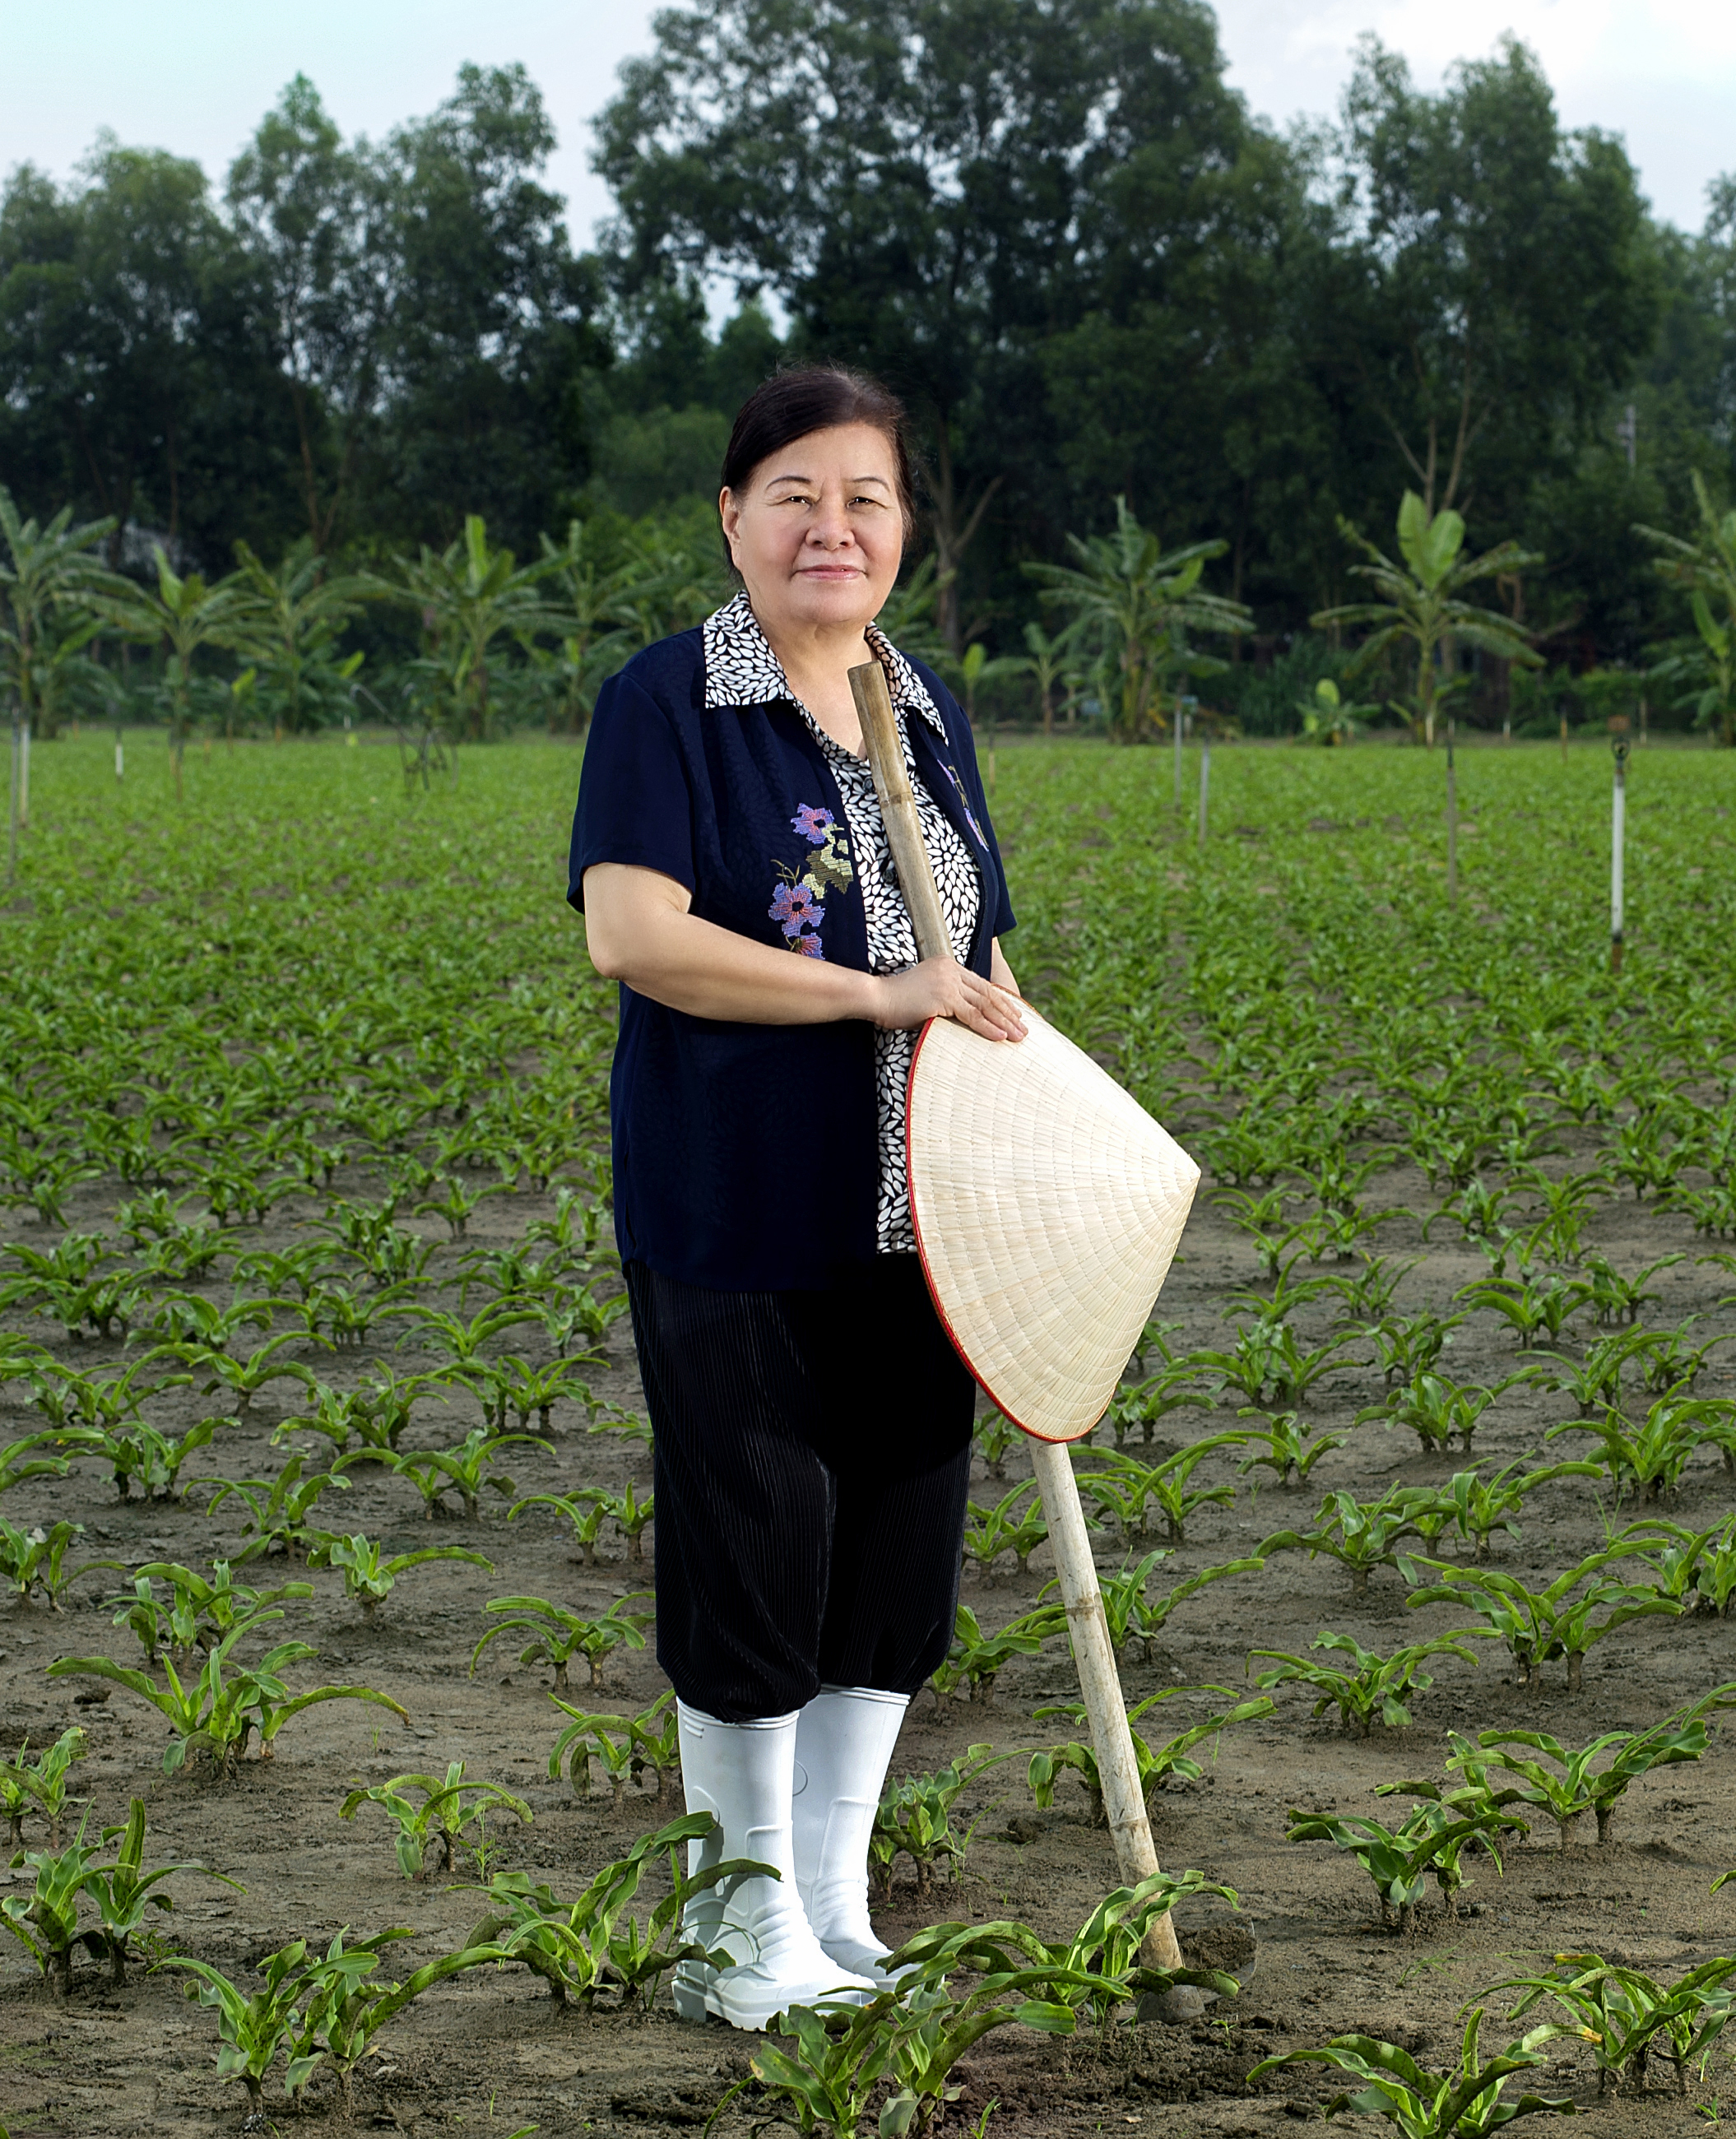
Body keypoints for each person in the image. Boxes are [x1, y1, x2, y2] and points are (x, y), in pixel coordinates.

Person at [566, 364, 1028, 2030]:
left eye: (867, 500)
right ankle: (735, 1928)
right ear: (732, 517)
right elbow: (635, 935)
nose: (832, 529)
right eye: (795, 497)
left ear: (908, 528)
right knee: (755, 1550)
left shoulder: (927, 710)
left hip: (924, 1216)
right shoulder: (669, 702)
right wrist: (868, 997)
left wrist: (1016, 1098)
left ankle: (830, 1908)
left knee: (895, 1566)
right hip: (735, 1201)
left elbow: (981, 960)